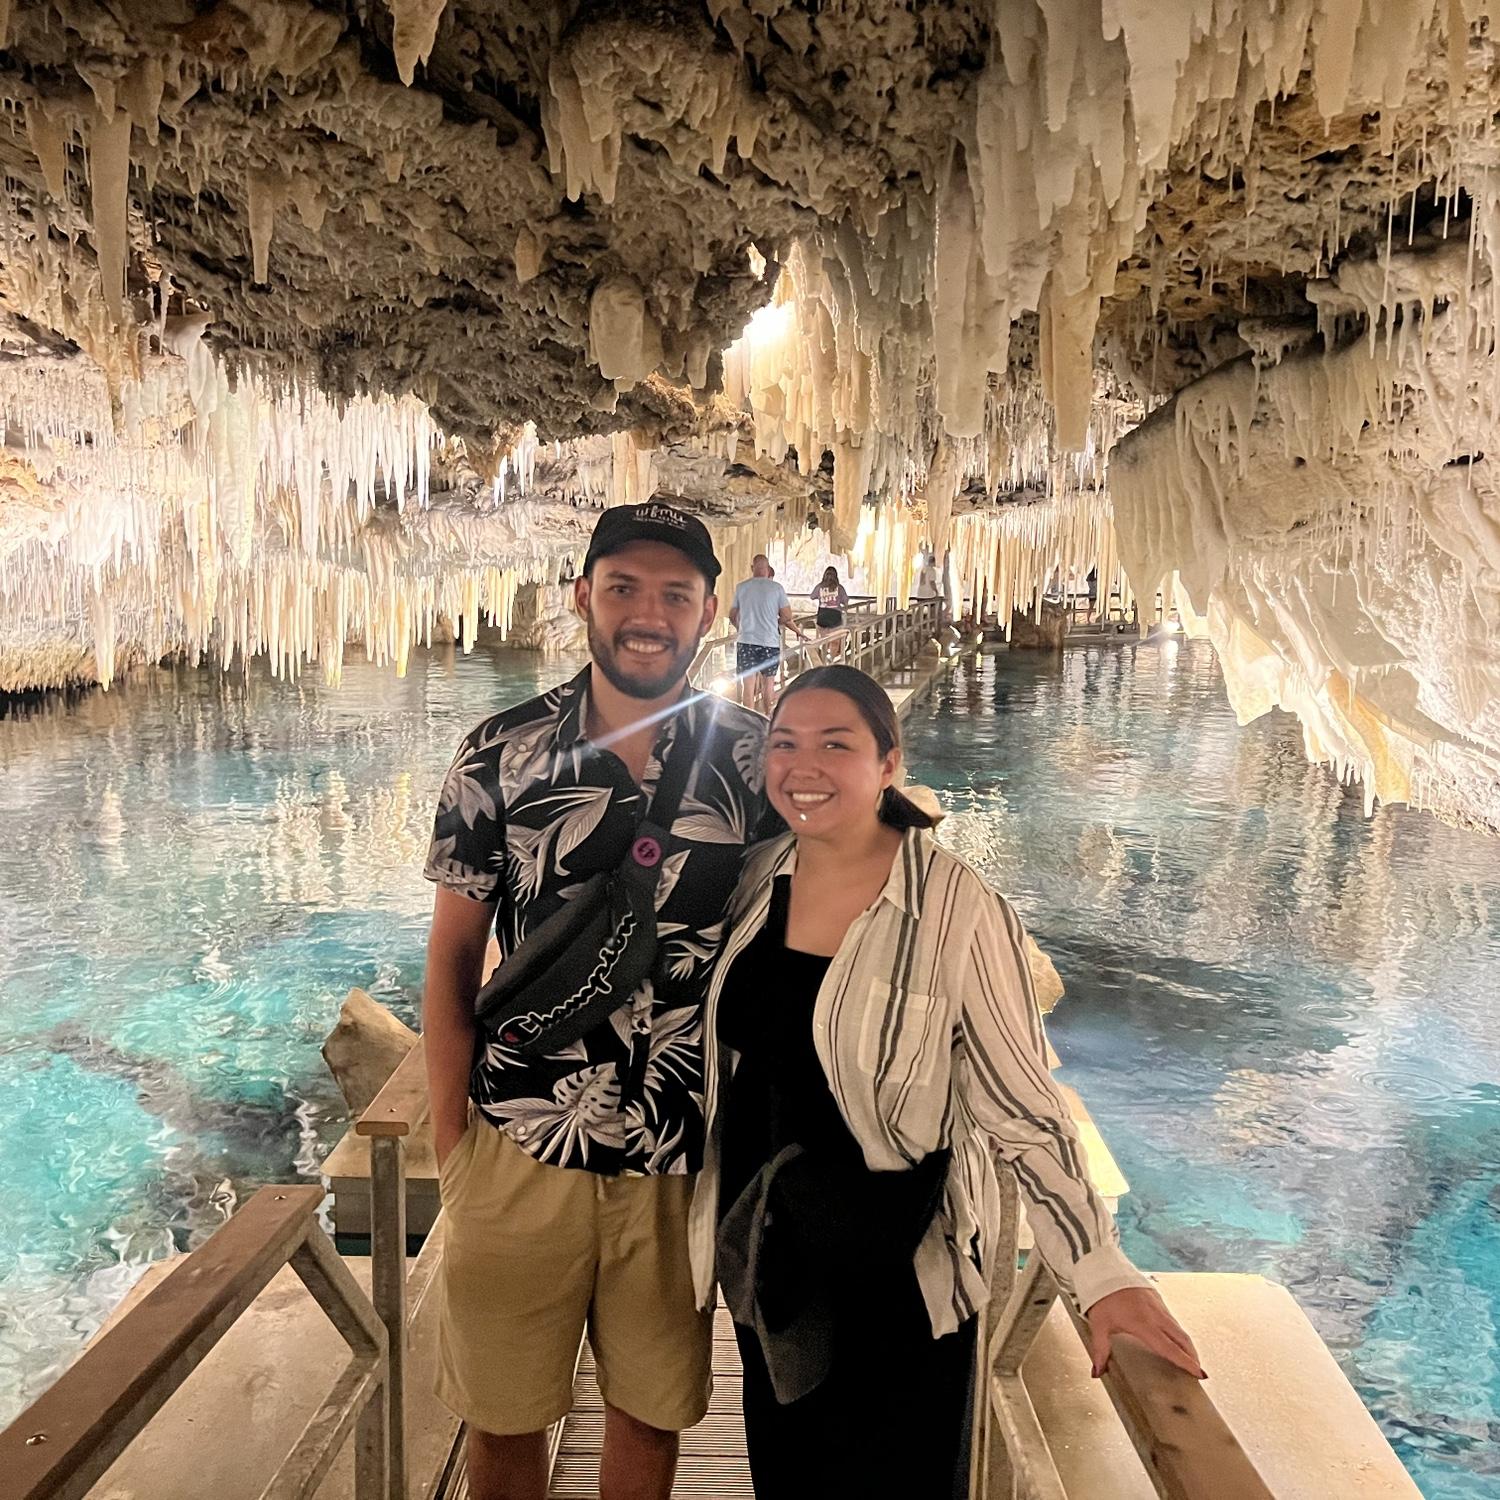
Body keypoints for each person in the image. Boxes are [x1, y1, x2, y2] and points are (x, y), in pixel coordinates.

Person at [689, 666, 1202, 1497]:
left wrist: (1102, 1273)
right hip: (769, 1259)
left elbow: (1024, 1110)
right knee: (785, 1477)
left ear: (889, 763)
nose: (803, 767)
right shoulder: (757, 879)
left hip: (897, 1270)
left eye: (835, 745)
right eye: (785, 744)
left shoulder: (958, 910)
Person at [422, 500, 768, 1500]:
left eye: (675, 594)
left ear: (708, 613)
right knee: (502, 1418)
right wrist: (453, 1144)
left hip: (674, 1151)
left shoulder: (753, 760)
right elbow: (453, 953)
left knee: (651, 1415)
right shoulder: (500, 752)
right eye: (623, 588)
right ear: (583, 597)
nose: (648, 614)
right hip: (519, 1137)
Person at [730, 553, 806, 714]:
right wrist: (775, 622)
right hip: (769, 643)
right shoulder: (777, 588)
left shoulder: (741, 587)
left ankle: (748, 723)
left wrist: (740, 628)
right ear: (768, 568)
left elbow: (732, 614)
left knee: (748, 687)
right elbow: (787, 616)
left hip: (747, 642)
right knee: (768, 685)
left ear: (752, 568)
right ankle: (767, 719)